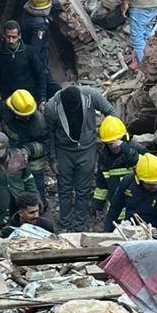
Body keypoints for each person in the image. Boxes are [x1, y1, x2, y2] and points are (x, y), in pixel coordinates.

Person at [43, 82, 114, 231]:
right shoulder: (51, 108)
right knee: (64, 190)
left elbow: (111, 113)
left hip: (87, 149)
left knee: (83, 190)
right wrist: (52, 159)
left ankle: (80, 226)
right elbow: (49, 135)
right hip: (64, 151)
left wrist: (109, 136)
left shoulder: (90, 95)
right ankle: (65, 226)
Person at [0, 88, 49, 205]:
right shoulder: (7, 110)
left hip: (34, 163)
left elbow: (45, 145)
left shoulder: (39, 122)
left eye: (28, 115)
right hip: (13, 158)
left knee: (35, 190)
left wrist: (27, 150)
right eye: (23, 116)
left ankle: (38, 209)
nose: (27, 118)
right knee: (14, 187)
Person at [0, 18, 47, 105]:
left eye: (14, 37)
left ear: (19, 36)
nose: (11, 40)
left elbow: (40, 75)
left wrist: (42, 98)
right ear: (4, 35)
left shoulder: (29, 52)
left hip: (29, 97)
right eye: (8, 37)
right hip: (8, 98)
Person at [107, 152, 157, 231]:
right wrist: (107, 232)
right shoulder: (127, 183)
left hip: (154, 232)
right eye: (149, 184)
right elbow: (114, 209)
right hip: (130, 229)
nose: (154, 186)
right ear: (138, 180)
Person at [93, 115, 139, 223]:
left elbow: (140, 163)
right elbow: (102, 185)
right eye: (110, 144)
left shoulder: (135, 150)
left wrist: (125, 149)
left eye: (117, 142)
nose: (114, 147)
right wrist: (97, 206)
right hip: (115, 214)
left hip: (136, 212)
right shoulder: (105, 158)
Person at [19, 0, 57, 101]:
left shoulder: (28, 11)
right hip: (38, 63)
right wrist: (41, 71)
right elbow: (35, 51)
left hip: (27, 55)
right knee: (56, 91)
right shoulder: (39, 26)